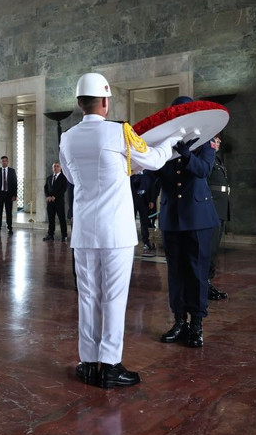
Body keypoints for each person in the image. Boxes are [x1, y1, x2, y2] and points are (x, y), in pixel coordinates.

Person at [59, 72, 182, 389]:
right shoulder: (118, 133)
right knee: (113, 298)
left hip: (84, 231)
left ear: (79, 103)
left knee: (88, 297)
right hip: (115, 232)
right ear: (105, 102)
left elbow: (73, 178)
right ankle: (111, 366)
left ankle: (88, 364)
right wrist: (172, 142)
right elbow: (153, 160)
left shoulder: (68, 137)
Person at [154, 96, 219, 349]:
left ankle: (197, 324)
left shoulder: (206, 140)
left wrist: (186, 154)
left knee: (197, 272)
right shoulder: (163, 142)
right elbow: (154, 170)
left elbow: (204, 170)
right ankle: (179, 321)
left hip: (198, 217)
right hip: (171, 217)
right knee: (176, 273)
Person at [207, 134, 230, 298]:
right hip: (212, 208)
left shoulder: (217, 160)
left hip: (220, 207)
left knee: (213, 249)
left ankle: (208, 282)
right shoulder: (207, 159)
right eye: (216, 138)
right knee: (209, 249)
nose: (219, 141)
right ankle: (204, 284)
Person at [130, 171, 156, 255]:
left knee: (144, 222)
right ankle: (130, 241)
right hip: (132, 200)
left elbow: (152, 186)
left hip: (144, 200)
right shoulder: (131, 171)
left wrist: (152, 200)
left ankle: (146, 242)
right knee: (130, 221)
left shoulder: (148, 172)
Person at [0, 156, 17, 235]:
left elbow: (14, 183)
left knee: (9, 212)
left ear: (8, 162)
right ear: (1, 162)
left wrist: (14, 194)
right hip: (0, 194)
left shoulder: (12, 171)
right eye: (2, 161)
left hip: (9, 194)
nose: (4, 162)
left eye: (5, 161)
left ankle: (9, 228)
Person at [43, 161, 68, 242]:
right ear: (52, 168)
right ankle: (50, 234)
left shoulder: (63, 177)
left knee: (61, 219)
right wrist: (48, 196)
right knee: (51, 219)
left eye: (57, 166)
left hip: (59, 202)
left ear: (60, 168)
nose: (56, 168)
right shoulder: (49, 178)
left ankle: (64, 235)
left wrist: (55, 197)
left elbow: (63, 189)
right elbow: (46, 188)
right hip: (50, 202)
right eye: (54, 166)